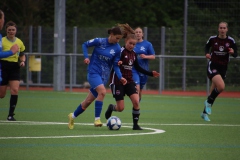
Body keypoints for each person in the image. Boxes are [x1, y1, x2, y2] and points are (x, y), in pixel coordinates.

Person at [68, 25, 128, 129]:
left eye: (120, 39)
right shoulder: (99, 41)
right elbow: (84, 44)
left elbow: (115, 65)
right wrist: (86, 57)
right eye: (117, 38)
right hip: (93, 73)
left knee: (87, 102)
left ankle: (72, 116)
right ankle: (97, 119)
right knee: (103, 92)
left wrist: (120, 77)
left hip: (103, 77)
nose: (118, 41)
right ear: (111, 34)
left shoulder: (117, 48)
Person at [105, 34, 160, 130]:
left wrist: (151, 73)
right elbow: (113, 63)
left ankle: (135, 125)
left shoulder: (134, 54)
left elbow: (138, 68)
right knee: (121, 108)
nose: (131, 45)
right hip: (117, 81)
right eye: (130, 43)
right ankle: (112, 107)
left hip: (129, 81)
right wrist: (118, 63)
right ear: (126, 41)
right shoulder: (120, 51)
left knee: (136, 101)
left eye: (134, 44)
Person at [201, 22, 238, 121]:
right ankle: (208, 103)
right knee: (221, 87)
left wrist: (232, 52)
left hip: (223, 68)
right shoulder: (213, 39)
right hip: (213, 65)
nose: (222, 29)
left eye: (224, 28)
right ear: (218, 29)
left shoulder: (230, 40)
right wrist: (207, 54)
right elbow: (206, 47)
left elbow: (235, 53)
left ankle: (204, 113)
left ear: (227, 29)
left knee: (213, 92)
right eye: (221, 28)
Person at [0, 21, 25, 121]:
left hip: (14, 67)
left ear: (16, 30)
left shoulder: (19, 42)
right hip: (3, 66)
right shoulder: (1, 40)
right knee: (1, 95)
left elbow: (22, 54)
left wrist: (22, 61)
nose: (11, 31)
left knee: (14, 90)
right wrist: (10, 52)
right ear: (6, 30)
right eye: (9, 29)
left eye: (13, 30)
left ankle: (11, 115)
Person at [132, 27, 155, 103]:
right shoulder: (132, 43)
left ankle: (137, 103)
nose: (138, 33)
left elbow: (153, 56)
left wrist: (145, 56)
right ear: (134, 34)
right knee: (137, 88)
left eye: (139, 32)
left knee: (140, 90)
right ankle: (136, 106)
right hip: (134, 69)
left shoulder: (147, 44)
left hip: (144, 70)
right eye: (136, 32)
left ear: (142, 34)